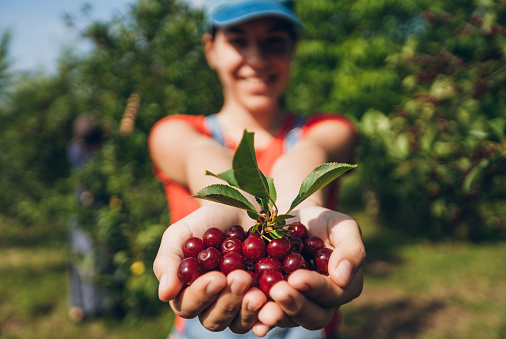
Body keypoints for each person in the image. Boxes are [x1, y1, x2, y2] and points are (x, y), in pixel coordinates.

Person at [149, 0, 365, 338]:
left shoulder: (328, 129)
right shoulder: (177, 131)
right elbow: (198, 153)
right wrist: (229, 203)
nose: (257, 58)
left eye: (273, 41)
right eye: (238, 40)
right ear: (211, 49)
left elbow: (307, 156)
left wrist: (298, 209)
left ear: (293, 48)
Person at [67, 114, 107, 322]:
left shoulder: (78, 147)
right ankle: (86, 306)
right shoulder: (82, 152)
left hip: (89, 210)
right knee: (88, 255)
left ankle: (87, 305)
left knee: (89, 256)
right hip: (88, 210)